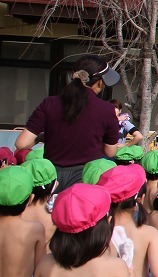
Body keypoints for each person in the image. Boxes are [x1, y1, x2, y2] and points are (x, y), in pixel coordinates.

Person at [16, 54, 121, 191]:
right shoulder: (106, 110)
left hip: (50, 179)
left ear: (74, 75)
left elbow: (22, 144)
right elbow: (110, 152)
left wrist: (43, 137)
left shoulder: (49, 103)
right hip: (84, 179)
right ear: (100, 82)